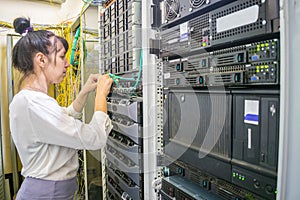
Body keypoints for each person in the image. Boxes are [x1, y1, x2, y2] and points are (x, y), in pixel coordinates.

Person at [9, 17, 113, 200]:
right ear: (41, 59)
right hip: (47, 194)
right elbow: (95, 139)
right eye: (62, 56)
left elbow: (63, 117)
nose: (67, 64)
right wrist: (101, 96)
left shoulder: (30, 100)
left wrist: (85, 91)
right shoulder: (33, 103)